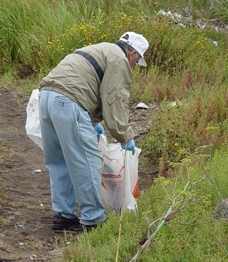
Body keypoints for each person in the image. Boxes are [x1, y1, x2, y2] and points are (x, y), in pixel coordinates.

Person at [38, 31, 149, 231]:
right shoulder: (119, 59)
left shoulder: (99, 48)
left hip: (46, 98)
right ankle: (94, 218)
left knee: (60, 161)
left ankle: (63, 216)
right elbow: (114, 99)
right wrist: (124, 135)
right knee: (87, 161)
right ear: (132, 53)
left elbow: (85, 81)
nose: (134, 65)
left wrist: (90, 120)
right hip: (69, 102)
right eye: (137, 60)